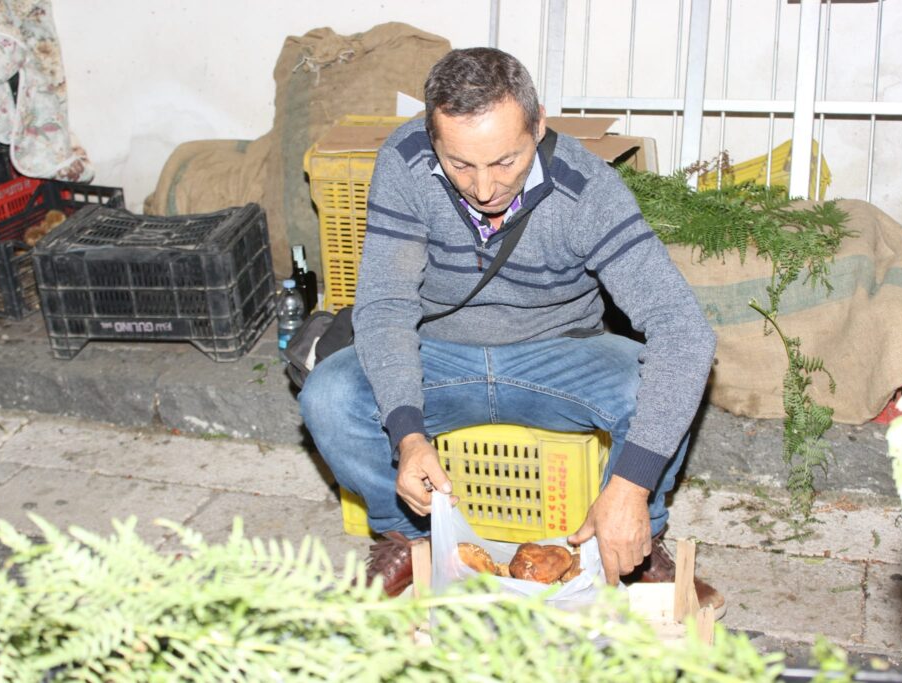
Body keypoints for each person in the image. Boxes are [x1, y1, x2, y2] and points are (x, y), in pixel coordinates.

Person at [300, 47, 722, 614]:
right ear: (432, 138)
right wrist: (407, 433)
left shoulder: (586, 188)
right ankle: (407, 538)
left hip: (558, 354)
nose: (483, 188)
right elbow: (386, 307)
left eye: (504, 162)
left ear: (539, 123)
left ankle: (639, 541)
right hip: (439, 353)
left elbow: (682, 330)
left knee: (647, 391)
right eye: (460, 165)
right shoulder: (403, 164)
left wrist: (631, 488)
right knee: (329, 395)